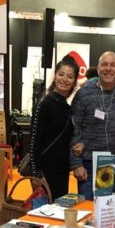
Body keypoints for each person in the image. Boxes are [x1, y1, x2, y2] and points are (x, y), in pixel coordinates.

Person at [70, 51, 115, 200]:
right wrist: (76, 164)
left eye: (113, 65)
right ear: (98, 69)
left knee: (105, 211)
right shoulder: (83, 94)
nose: (108, 68)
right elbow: (73, 129)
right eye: (104, 64)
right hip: (87, 163)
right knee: (88, 210)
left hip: (112, 162)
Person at [30, 55, 79, 201]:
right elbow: (34, 142)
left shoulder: (67, 107)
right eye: (61, 74)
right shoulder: (44, 104)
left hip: (62, 171)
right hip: (45, 172)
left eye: (70, 76)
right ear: (55, 76)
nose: (64, 79)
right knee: (43, 215)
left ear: (74, 81)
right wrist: (36, 175)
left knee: (58, 214)